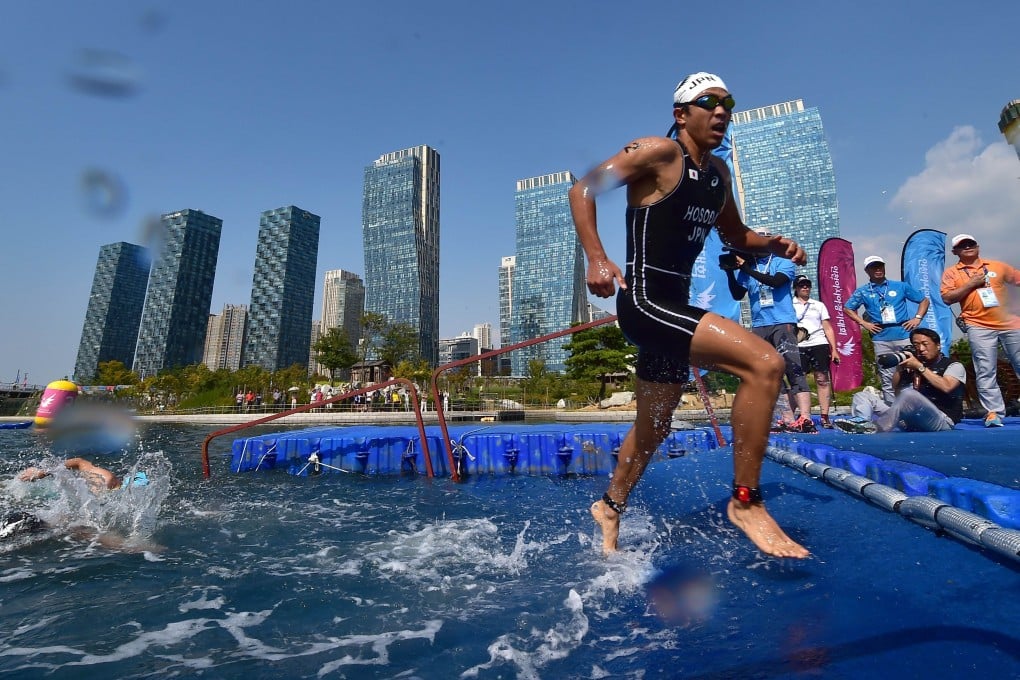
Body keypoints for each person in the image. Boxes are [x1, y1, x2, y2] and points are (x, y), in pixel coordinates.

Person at [568, 71, 809, 559]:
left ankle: (610, 506)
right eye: (709, 102)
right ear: (682, 114)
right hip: (644, 302)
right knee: (765, 363)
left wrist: (776, 242)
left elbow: (737, 237)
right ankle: (746, 501)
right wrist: (596, 257)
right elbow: (582, 190)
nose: (722, 111)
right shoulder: (658, 153)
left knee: (654, 425)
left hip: (673, 308)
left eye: (728, 103)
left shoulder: (718, 175)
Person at [724, 235, 816, 433]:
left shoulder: (783, 261)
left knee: (793, 368)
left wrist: (745, 268)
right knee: (769, 372)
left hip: (782, 322)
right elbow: (738, 294)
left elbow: (775, 282)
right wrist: (730, 272)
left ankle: (806, 418)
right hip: (759, 324)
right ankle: (786, 418)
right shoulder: (749, 265)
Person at [940, 233, 1020, 428]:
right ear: (955, 251)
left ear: (978, 246)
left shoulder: (998, 266)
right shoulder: (951, 273)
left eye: (971, 243)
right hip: (978, 325)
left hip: (1010, 323)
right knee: (985, 369)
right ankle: (994, 412)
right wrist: (971, 284)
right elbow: (947, 298)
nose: (968, 246)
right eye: (962, 245)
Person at [835, 328, 965, 433]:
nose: (920, 349)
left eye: (925, 344)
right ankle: (862, 422)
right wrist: (900, 367)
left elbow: (947, 386)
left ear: (938, 346)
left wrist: (920, 367)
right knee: (862, 396)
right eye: (916, 345)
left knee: (909, 394)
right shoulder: (912, 365)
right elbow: (896, 392)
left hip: (941, 420)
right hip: (910, 419)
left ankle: (878, 427)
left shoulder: (953, 365)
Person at [844, 256, 930, 405]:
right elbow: (847, 308)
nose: (878, 269)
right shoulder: (863, 291)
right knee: (887, 377)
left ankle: (914, 406)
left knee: (909, 372)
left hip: (903, 334)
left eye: (880, 266)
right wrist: (864, 323)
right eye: (873, 267)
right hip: (881, 337)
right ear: (867, 270)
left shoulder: (900, 286)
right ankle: (892, 410)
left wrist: (917, 318)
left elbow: (924, 300)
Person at [791, 275, 840, 428]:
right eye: (801, 285)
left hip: (819, 343)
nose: (805, 288)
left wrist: (834, 350)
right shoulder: (789, 305)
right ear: (796, 288)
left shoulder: (818, 305)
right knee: (798, 380)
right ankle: (799, 415)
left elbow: (827, 327)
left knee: (822, 378)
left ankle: (825, 416)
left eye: (807, 285)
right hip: (798, 345)